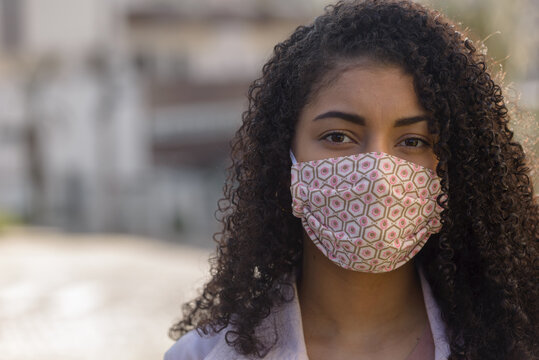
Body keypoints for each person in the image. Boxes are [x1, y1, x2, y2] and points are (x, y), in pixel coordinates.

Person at [165, 1, 538, 359]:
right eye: (338, 137)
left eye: (413, 141)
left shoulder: (519, 345)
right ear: (284, 155)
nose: (376, 175)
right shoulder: (201, 357)